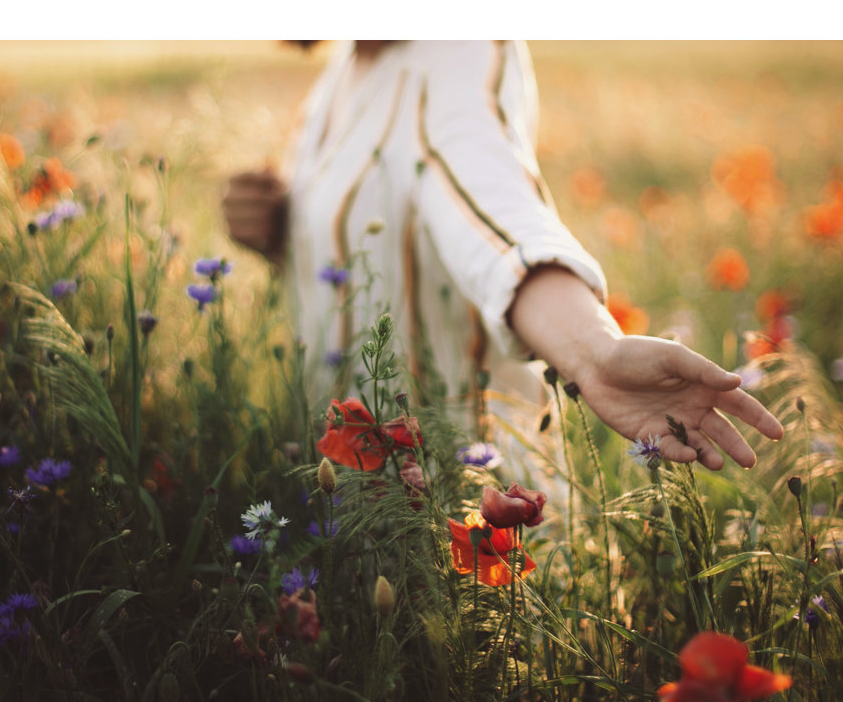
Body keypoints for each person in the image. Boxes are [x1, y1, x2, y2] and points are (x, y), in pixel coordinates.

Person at [223, 40, 782, 471]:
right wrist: (277, 228)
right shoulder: (342, 69)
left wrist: (592, 353)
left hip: (470, 516)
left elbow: (495, 219)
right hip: (351, 497)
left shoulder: (457, 48)